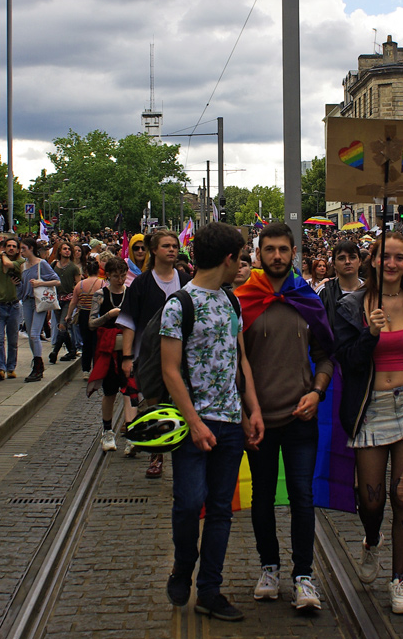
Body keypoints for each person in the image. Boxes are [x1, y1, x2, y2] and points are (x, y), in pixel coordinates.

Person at [333, 231, 403, 614]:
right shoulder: (351, 305)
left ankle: (400, 580)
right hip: (370, 406)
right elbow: (346, 359)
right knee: (372, 498)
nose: (392, 264)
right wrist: (370, 334)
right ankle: (371, 538)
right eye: (385, 257)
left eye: (399, 257)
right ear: (372, 261)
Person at [163, 222, 263, 622]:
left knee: (221, 509)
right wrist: (195, 423)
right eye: (240, 258)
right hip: (193, 426)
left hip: (230, 423)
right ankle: (183, 565)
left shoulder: (232, 302)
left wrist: (251, 408)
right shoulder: (180, 305)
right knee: (189, 504)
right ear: (227, 258)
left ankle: (209, 590)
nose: (242, 265)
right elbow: (171, 372)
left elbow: (240, 361)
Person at [235, 223, 334, 611]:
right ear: (259, 254)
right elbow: (233, 365)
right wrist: (245, 411)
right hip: (258, 420)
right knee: (261, 498)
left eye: (283, 250)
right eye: (269, 250)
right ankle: (269, 567)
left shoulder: (306, 299)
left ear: (295, 253)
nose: (277, 256)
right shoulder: (241, 301)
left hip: (300, 418)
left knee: (302, 497)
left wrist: (317, 391)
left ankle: (304, 576)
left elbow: (327, 355)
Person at [118, 229, 191, 479]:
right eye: (166, 246)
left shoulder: (185, 280)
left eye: (174, 246)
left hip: (183, 352)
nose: (172, 250)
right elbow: (129, 322)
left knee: (183, 402)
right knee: (156, 404)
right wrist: (127, 357)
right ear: (154, 250)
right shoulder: (142, 283)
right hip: (149, 354)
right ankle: (156, 454)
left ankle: (184, 453)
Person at [88, 257, 138, 451]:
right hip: (108, 350)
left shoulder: (131, 294)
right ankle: (107, 431)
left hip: (127, 350)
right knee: (109, 392)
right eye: (116, 276)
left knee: (129, 391)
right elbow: (91, 323)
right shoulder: (100, 295)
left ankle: (131, 434)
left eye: (123, 275)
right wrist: (108, 316)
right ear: (108, 275)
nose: (120, 279)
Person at [16, 237, 58, 383]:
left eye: (23, 248)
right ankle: (37, 362)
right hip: (27, 301)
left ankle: (38, 367)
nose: (21, 251)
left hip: (38, 301)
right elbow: (22, 288)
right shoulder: (23, 266)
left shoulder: (42, 264)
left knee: (34, 334)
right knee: (30, 335)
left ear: (31, 248)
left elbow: (56, 280)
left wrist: (41, 283)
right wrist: (17, 285)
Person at [0, 236, 22, 380]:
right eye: (8, 246)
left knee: (13, 340)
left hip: (13, 305)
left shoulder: (20, 262)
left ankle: (11, 367)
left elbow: (9, 264)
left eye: (14, 246)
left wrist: (1, 254)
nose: (11, 248)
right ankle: (0, 368)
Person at [48, 240, 82, 363]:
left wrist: (77, 300)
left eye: (69, 249)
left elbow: (78, 285)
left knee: (63, 324)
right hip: (56, 300)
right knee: (62, 328)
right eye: (64, 249)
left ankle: (54, 353)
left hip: (68, 300)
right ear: (60, 251)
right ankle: (72, 350)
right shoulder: (53, 265)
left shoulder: (73, 267)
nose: (67, 251)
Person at [319, 239, 363, 330]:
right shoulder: (324, 292)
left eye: (352, 257)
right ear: (334, 264)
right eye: (341, 258)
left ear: (360, 261)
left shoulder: (372, 290)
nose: (347, 262)